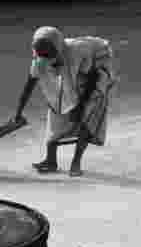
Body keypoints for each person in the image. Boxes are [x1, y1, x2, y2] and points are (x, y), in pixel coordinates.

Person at [12, 26, 115, 177]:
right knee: (56, 108)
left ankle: (76, 162)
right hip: (73, 74)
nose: (46, 57)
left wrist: (80, 106)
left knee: (87, 116)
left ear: (58, 47)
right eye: (42, 54)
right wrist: (18, 113)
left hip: (95, 73)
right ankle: (51, 160)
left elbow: (93, 77)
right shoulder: (39, 59)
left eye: (49, 53)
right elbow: (29, 86)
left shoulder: (77, 51)